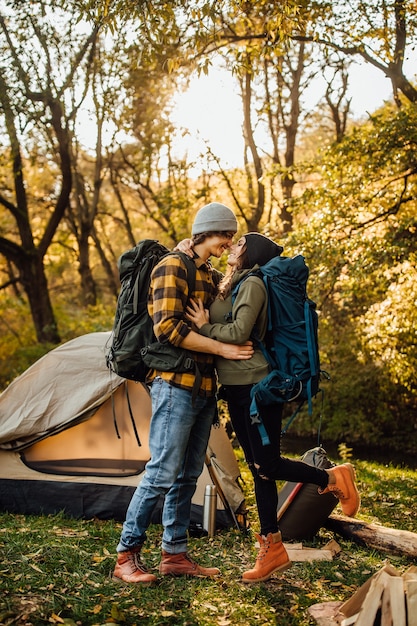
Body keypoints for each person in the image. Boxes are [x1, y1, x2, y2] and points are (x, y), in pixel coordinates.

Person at [186, 232, 360, 584]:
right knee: (258, 469)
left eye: (239, 245)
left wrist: (204, 326)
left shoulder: (254, 284)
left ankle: (332, 477)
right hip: (234, 387)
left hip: (257, 386)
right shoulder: (232, 282)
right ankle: (272, 547)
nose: (232, 248)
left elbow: (238, 333)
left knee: (267, 463)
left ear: (250, 254)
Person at [112, 203, 255, 585]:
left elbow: (214, 315)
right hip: (174, 386)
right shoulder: (172, 267)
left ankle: (174, 554)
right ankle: (126, 556)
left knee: (188, 475)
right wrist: (223, 349)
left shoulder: (204, 271)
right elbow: (169, 330)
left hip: (204, 388)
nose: (230, 243)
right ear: (211, 231)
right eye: (227, 235)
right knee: (161, 473)